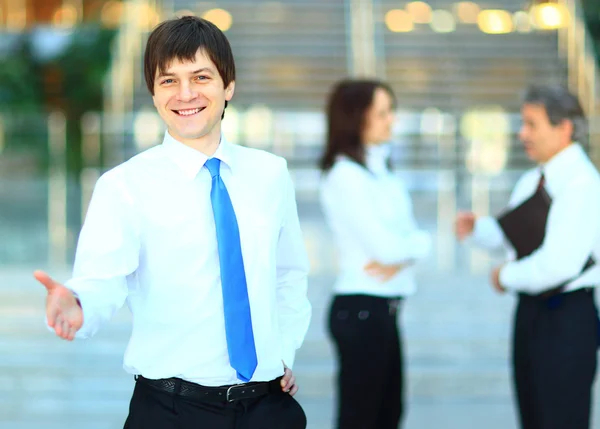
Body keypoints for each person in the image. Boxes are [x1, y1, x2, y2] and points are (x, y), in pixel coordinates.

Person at [35, 16, 311, 429]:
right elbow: (101, 278)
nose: (185, 94)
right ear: (153, 92)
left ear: (228, 86)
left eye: (201, 77)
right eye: (168, 81)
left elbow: (289, 275)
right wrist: (76, 304)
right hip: (171, 411)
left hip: (268, 408)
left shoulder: (270, 173)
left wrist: (283, 351)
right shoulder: (124, 185)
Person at [456, 84, 600, 429]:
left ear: (563, 127)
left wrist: (502, 277)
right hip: (532, 315)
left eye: (532, 124)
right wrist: (479, 229)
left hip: (566, 320)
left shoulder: (582, 184)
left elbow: (557, 265)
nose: (522, 134)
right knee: (534, 417)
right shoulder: (533, 178)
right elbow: (514, 240)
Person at [318, 79, 431, 429]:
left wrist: (409, 249)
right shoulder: (344, 176)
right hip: (361, 310)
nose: (391, 120)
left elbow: (413, 240)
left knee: (389, 414)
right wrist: (411, 247)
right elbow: (386, 247)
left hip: (384, 309)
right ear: (356, 117)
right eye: (382, 112)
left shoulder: (382, 173)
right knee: (362, 418)